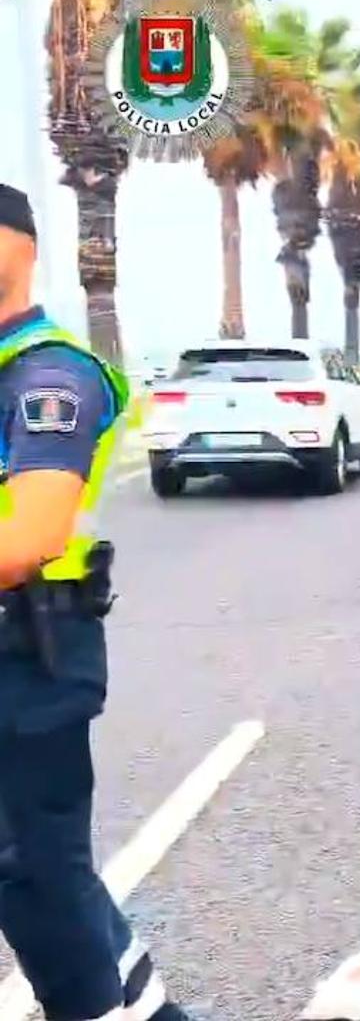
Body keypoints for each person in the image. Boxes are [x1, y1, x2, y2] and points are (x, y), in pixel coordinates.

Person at [0, 184, 193, 1018]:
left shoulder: (50, 375)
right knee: (31, 869)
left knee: (36, 871)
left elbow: (33, 533)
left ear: (20, 248)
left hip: (29, 657)